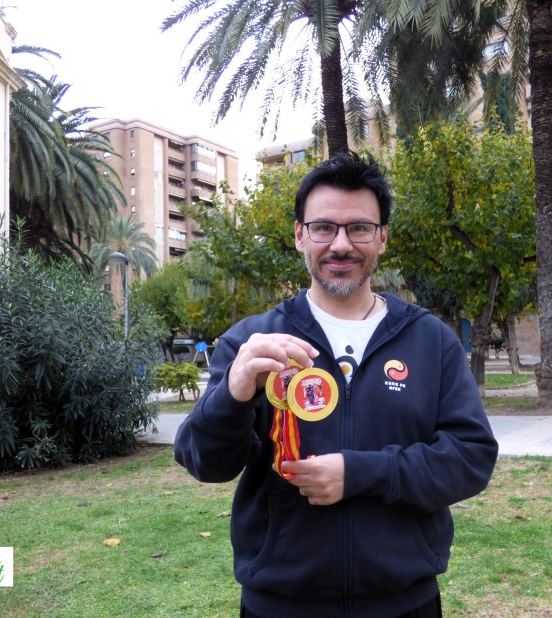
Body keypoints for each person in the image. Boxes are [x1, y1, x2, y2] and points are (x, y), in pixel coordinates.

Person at [174, 152, 498, 618]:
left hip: (405, 603)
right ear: (299, 235)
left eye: (359, 228)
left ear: (382, 238)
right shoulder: (254, 341)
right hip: (279, 606)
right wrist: (234, 391)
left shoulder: (430, 340)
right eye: (324, 227)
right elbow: (204, 463)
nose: (341, 244)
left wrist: (361, 473)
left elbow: (472, 458)